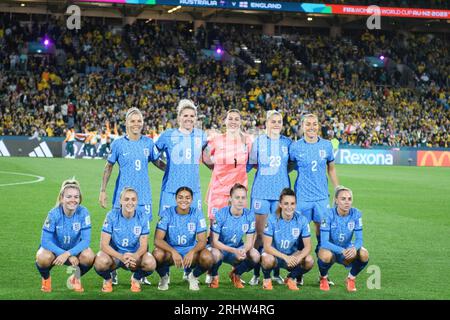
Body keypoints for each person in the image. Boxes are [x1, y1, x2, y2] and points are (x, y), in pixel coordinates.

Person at [99, 107, 163, 285]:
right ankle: (113, 270)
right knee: (114, 233)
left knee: (144, 234)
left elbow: (157, 161)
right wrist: (103, 191)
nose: (136, 124)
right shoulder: (118, 144)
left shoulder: (148, 143)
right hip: (123, 197)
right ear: (126, 123)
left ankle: (140, 274)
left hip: (143, 196)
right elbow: (109, 167)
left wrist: (172, 169)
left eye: (139, 120)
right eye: (132, 121)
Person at [248, 110, 293, 286]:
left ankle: (275, 273)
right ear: (266, 123)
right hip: (260, 192)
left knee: (276, 235)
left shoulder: (287, 143)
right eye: (273, 121)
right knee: (259, 236)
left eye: (279, 121)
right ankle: (256, 274)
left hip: (280, 194)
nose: (276, 124)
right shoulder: (258, 142)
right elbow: (252, 164)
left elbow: (291, 165)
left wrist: (278, 175)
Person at [289, 113, 339, 256]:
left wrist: (337, 188)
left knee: (321, 231)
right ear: (303, 126)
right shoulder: (295, 147)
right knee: (299, 231)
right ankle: (298, 274)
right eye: (308, 124)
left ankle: (323, 271)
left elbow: (332, 168)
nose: (312, 127)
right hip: (302, 197)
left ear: (318, 126)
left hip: (321, 196)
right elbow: (289, 166)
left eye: (314, 124)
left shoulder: (327, 145)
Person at [35, 179, 95, 293]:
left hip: (73, 250)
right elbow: (45, 241)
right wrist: (64, 254)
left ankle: (75, 278)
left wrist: (68, 254)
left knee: (89, 256)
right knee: (42, 257)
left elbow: (86, 241)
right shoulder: (53, 214)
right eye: (69, 197)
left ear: (80, 199)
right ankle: (46, 278)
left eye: (76, 197)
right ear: (62, 199)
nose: (73, 200)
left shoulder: (84, 212)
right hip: (54, 251)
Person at [93, 187, 157, 293]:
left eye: (133, 199)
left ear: (137, 201)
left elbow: (144, 246)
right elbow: (104, 245)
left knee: (150, 263)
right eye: (126, 199)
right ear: (120, 201)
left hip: (134, 257)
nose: (130, 202)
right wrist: (121, 257)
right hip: (115, 256)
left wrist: (135, 256)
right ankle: (108, 280)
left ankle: (136, 279)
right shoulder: (112, 215)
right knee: (100, 261)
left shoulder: (143, 217)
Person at [153, 187, 214, 291]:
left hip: (190, 250)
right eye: (180, 197)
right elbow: (157, 240)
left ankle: (193, 276)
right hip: (171, 251)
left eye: (187, 197)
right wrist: (173, 251)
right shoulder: (167, 213)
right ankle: (164, 277)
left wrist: (192, 252)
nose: (184, 200)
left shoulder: (197, 213)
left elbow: (202, 241)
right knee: (157, 254)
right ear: (176, 199)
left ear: (192, 199)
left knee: (208, 258)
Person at [154, 99, 207, 215]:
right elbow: (153, 155)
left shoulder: (201, 136)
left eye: (192, 116)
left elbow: (207, 158)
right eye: (185, 115)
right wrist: (164, 167)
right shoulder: (167, 135)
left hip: (193, 190)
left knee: (193, 228)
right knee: (166, 228)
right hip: (171, 189)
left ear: (195, 118)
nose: (189, 118)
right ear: (179, 118)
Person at [317, 186, 369, 292]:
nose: (347, 202)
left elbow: (359, 239)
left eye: (349, 199)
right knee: (326, 255)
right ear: (336, 200)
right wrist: (342, 251)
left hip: (347, 247)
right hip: (329, 248)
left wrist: (354, 248)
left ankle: (351, 278)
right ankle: (323, 278)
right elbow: (324, 242)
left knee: (364, 254)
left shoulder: (356, 214)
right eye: (343, 199)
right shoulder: (327, 215)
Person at [261, 188, 314, 291]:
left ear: (295, 205)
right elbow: (267, 247)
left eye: (292, 203)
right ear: (280, 204)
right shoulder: (271, 219)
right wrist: (285, 257)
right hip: (274, 256)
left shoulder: (302, 220)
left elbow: (308, 246)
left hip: (291, 257)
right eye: (286, 203)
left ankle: (291, 278)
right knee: (267, 259)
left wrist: (298, 258)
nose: (289, 207)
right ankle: (267, 279)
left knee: (309, 260)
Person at [205, 109, 252, 223]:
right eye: (230, 118)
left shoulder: (247, 141)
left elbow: (252, 161)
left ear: (240, 122)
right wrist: (215, 169)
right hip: (218, 190)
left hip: (238, 192)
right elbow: (205, 157)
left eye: (236, 119)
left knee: (236, 227)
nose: (233, 121)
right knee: (214, 228)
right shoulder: (216, 139)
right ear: (225, 121)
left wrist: (240, 171)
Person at [209, 184, 260, 289]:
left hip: (237, 248)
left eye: (243, 198)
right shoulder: (221, 214)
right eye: (237, 197)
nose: (240, 200)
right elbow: (215, 242)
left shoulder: (249, 215)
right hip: (220, 249)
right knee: (215, 254)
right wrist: (234, 250)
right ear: (230, 199)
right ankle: (214, 276)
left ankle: (236, 274)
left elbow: (249, 242)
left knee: (255, 255)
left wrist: (243, 250)